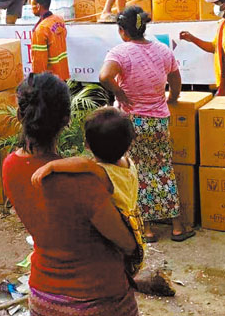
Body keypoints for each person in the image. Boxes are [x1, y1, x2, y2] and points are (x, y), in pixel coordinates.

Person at [2, 73, 139, 316]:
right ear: (67, 119)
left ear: (19, 115)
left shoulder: (10, 165)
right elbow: (127, 244)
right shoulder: (84, 181)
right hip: (98, 299)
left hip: (43, 297)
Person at [101, 6, 190, 242]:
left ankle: (148, 229)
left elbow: (104, 76)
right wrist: (172, 97)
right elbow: (175, 79)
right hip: (158, 120)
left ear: (122, 31)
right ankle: (177, 226)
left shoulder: (120, 52)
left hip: (131, 122)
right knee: (163, 170)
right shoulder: (162, 50)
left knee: (137, 172)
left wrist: (119, 93)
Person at [31, 106, 145, 276]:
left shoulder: (102, 172)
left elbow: (83, 164)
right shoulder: (128, 163)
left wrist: (52, 165)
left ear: (87, 144)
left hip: (120, 232)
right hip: (135, 226)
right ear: (129, 143)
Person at [29, 0, 70, 80]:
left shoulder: (41, 29)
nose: (31, 8)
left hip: (50, 80)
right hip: (63, 74)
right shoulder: (59, 20)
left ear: (38, 6)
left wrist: (37, 81)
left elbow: (39, 61)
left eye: (32, 5)